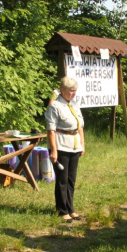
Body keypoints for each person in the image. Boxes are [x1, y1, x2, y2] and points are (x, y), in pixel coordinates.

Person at [45, 77, 85, 223]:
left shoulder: (74, 104)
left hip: (74, 145)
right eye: (71, 91)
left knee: (71, 179)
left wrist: (82, 144)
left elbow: (80, 126)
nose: (74, 93)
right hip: (61, 145)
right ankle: (62, 210)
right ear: (62, 90)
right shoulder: (55, 106)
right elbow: (51, 130)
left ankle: (70, 208)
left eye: (75, 91)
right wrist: (54, 151)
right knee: (62, 179)